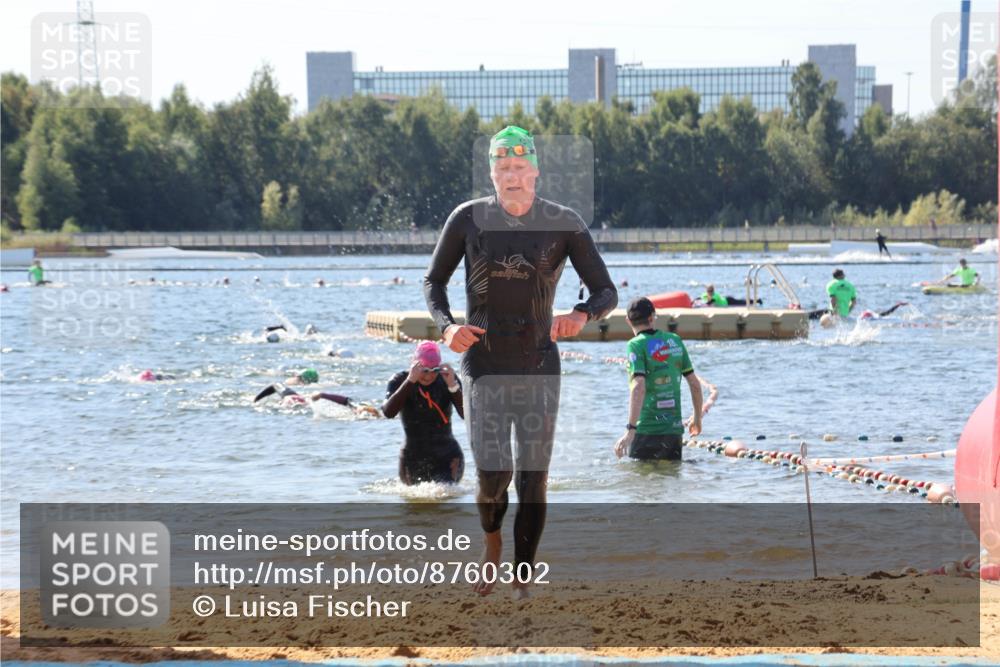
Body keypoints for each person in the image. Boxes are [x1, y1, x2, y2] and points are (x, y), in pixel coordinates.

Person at [424, 125, 617, 597]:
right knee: (494, 476)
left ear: (535, 171)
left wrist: (582, 314)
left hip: (538, 364)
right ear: (491, 173)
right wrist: (447, 326)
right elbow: (434, 283)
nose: (512, 176)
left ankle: (523, 578)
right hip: (483, 363)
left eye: (519, 167)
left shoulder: (564, 222)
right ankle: (492, 546)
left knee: (534, 477)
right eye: (502, 168)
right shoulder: (467, 220)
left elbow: (606, 292)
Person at [614, 298, 703, 461]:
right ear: (652, 317)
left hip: (646, 430)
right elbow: (695, 385)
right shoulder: (674, 340)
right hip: (673, 432)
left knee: (642, 481)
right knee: (671, 478)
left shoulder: (635, 345)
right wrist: (697, 418)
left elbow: (638, 386)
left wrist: (630, 430)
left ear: (628, 321)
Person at [382, 341, 465, 485]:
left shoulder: (447, 378)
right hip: (412, 460)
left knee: (446, 498)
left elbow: (467, 415)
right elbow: (388, 412)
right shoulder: (400, 380)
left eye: (434, 370)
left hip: (448, 458)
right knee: (415, 504)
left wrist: (453, 386)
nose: (428, 376)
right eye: (424, 370)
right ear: (414, 365)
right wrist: (410, 381)